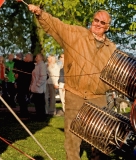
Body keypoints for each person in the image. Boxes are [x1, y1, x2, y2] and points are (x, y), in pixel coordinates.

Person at [28, 5, 116, 160]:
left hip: (98, 97)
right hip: (75, 94)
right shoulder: (76, 34)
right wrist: (40, 14)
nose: (98, 24)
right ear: (92, 21)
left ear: (107, 27)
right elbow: (56, 26)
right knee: (72, 137)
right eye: (96, 20)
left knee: (100, 137)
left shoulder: (112, 48)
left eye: (102, 23)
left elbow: (116, 74)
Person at [16, 53, 35, 120]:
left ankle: (24, 113)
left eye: (26, 57)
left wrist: (18, 60)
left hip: (25, 84)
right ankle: (22, 112)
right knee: (21, 99)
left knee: (23, 99)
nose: (25, 58)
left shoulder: (31, 65)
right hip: (21, 84)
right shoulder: (23, 64)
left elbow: (25, 69)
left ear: (29, 58)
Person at [30, 53, 47, 121]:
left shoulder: (42, 65)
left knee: (40, 103)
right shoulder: (37, 65)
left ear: (41, 58)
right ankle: (38, 116)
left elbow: (43, 76)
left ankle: (41, 117)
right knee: (37, 103)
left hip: (39, 88)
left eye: (37, 56)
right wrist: (32, 85)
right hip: (35, 88)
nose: (36, 57)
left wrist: (38, 84)